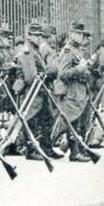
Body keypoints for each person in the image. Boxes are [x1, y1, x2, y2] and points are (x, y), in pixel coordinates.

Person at [11, 22, 62, 161]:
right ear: (29, 36)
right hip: (32, 92)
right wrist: (48, 72)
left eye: (40, 35)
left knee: (46, 119)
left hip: (40, 91)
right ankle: (31, 149)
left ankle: (46, 148)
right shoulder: (27, 52)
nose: (40, 38)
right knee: (32, 120)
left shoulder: (35, 50)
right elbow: (31, 77)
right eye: (36, 35)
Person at [49, 22, 94, 162]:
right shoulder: (68, 51)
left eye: (82, 34)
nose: (82, 37)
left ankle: (76, 150)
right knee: (70, 122)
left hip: (79, 92)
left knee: (77, 123)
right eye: (79, 34)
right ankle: (70, 151)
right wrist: (80, 69)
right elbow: (62, 74)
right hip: (71, 93)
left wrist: (85, 70)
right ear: (72, 34)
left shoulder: (77, 50)